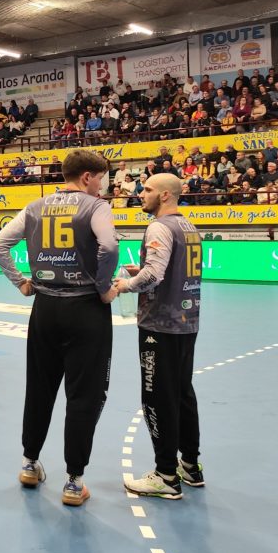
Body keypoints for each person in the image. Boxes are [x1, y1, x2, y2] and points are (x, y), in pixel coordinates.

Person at [0, 150, 119, 507]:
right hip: (86, 309)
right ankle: (74, 481)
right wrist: (103, 285)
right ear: (88, 177)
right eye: (101, 178)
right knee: (83, 395)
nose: (102, 185)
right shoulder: (96, 206)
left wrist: (20, 281)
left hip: (44, 308)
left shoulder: (35, 206)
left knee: (39, 388)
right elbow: (109, 246)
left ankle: (29, 464)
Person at [115, 173, 204, 500]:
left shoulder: (159, 228)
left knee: (156, 397)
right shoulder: (189, 227)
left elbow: (154, 274)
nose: (141, 193)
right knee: (182, 392)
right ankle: (190, 465)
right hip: (187, 322)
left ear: (165, 195)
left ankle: (166, 475)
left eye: (149, 189)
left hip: (160, 326)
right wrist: (142, 273)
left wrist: (125, 285)